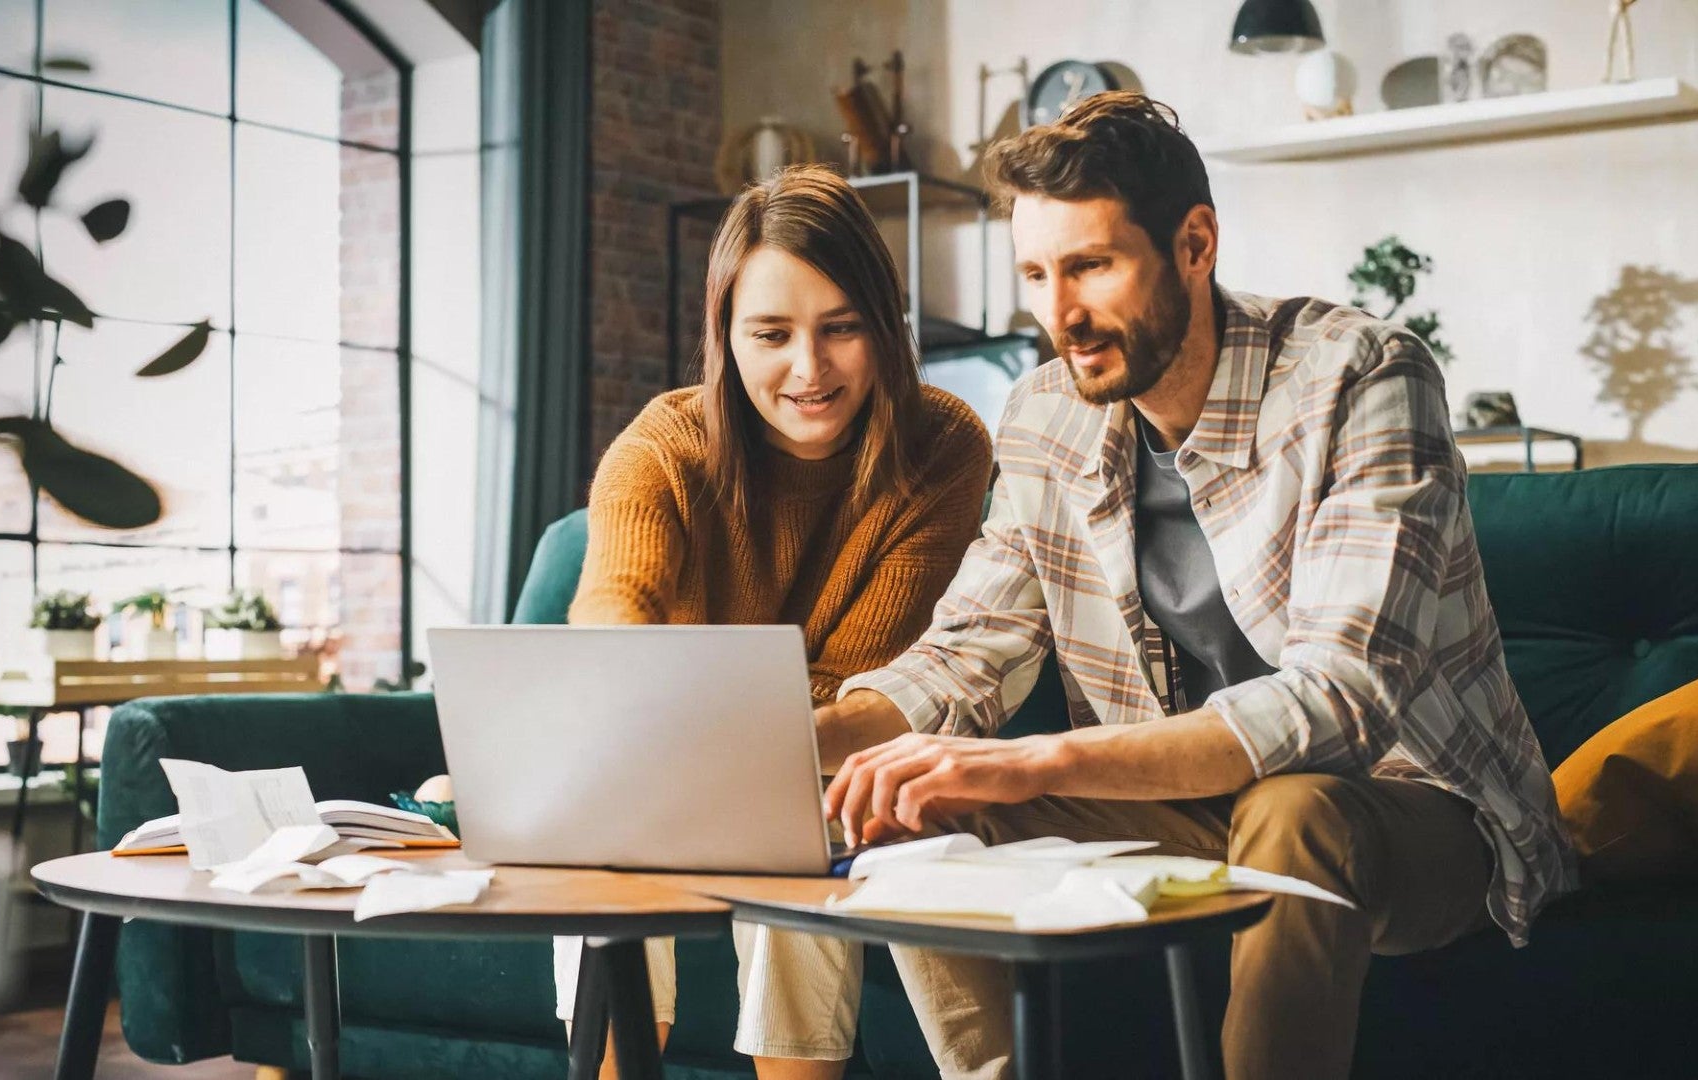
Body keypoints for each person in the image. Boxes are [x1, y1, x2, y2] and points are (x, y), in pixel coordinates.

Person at [816, 93, 1575, 1080]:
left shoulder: (1362, 376)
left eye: (1091, 266)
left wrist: (1036, 761)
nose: (1061, 315)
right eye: (1039, 276)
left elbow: (1341, 703)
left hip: (1415, 810)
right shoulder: (1046, 415)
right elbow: (969, 651)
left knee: (1297, 810)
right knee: (917, 804)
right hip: (1189, 808)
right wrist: (796, 744)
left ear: (1195, 243)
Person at [553, 163, 994, 1080]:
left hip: (821, 757)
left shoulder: (944, 445)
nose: (809, 369)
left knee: (803, 830)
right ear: (725, 336)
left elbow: (864, 683)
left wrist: (726, 736)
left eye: (842, 328)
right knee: (602, 844)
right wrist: (631, 697)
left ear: (885, 326)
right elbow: (611, 612)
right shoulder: (666, 446)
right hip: (660, 762)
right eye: (771, 333)